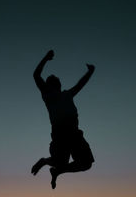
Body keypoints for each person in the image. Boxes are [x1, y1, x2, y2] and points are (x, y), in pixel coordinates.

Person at [31, 50, 95, 189]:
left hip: (74, 133)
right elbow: (36, 75)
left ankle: (57, 171)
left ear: (59, 86)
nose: (55, 86)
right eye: (52, 84)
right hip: (60, 134)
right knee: (59, 161)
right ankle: (46, 162)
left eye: (56, 84)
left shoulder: (67, 94)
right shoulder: (47, 95)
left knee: (86, 163)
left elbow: (80, 85)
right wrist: (46, 58)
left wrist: (90, 73)